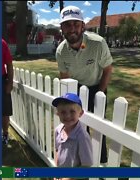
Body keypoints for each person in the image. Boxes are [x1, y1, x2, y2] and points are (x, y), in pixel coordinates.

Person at [55, 5, 113, 164]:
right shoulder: (61, 51)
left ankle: (102, 161)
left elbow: (107, 70)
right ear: (62, 28)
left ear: (83, 26)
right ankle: (81, 158)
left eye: (75, 23)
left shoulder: (98, 43)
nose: (71, 28)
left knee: (99, 126)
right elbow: (64, 78)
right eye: (67, 24)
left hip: (97, 86)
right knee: (77, 125)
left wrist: (99, 94)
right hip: (76, 89)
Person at [52, 93, 93, 168]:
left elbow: (87, 166)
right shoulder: (58, 130)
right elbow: (57, 150)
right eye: (63, 112)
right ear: (58, 114)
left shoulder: (82, 137)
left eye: (72, 111)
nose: (67, 116)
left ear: (80, 113)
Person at [2, 38, 14, 145]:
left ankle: (5, 134)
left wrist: (10, 83)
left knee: (5, 111)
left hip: (0, 81)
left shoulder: (1, 43)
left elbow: (9, 64)